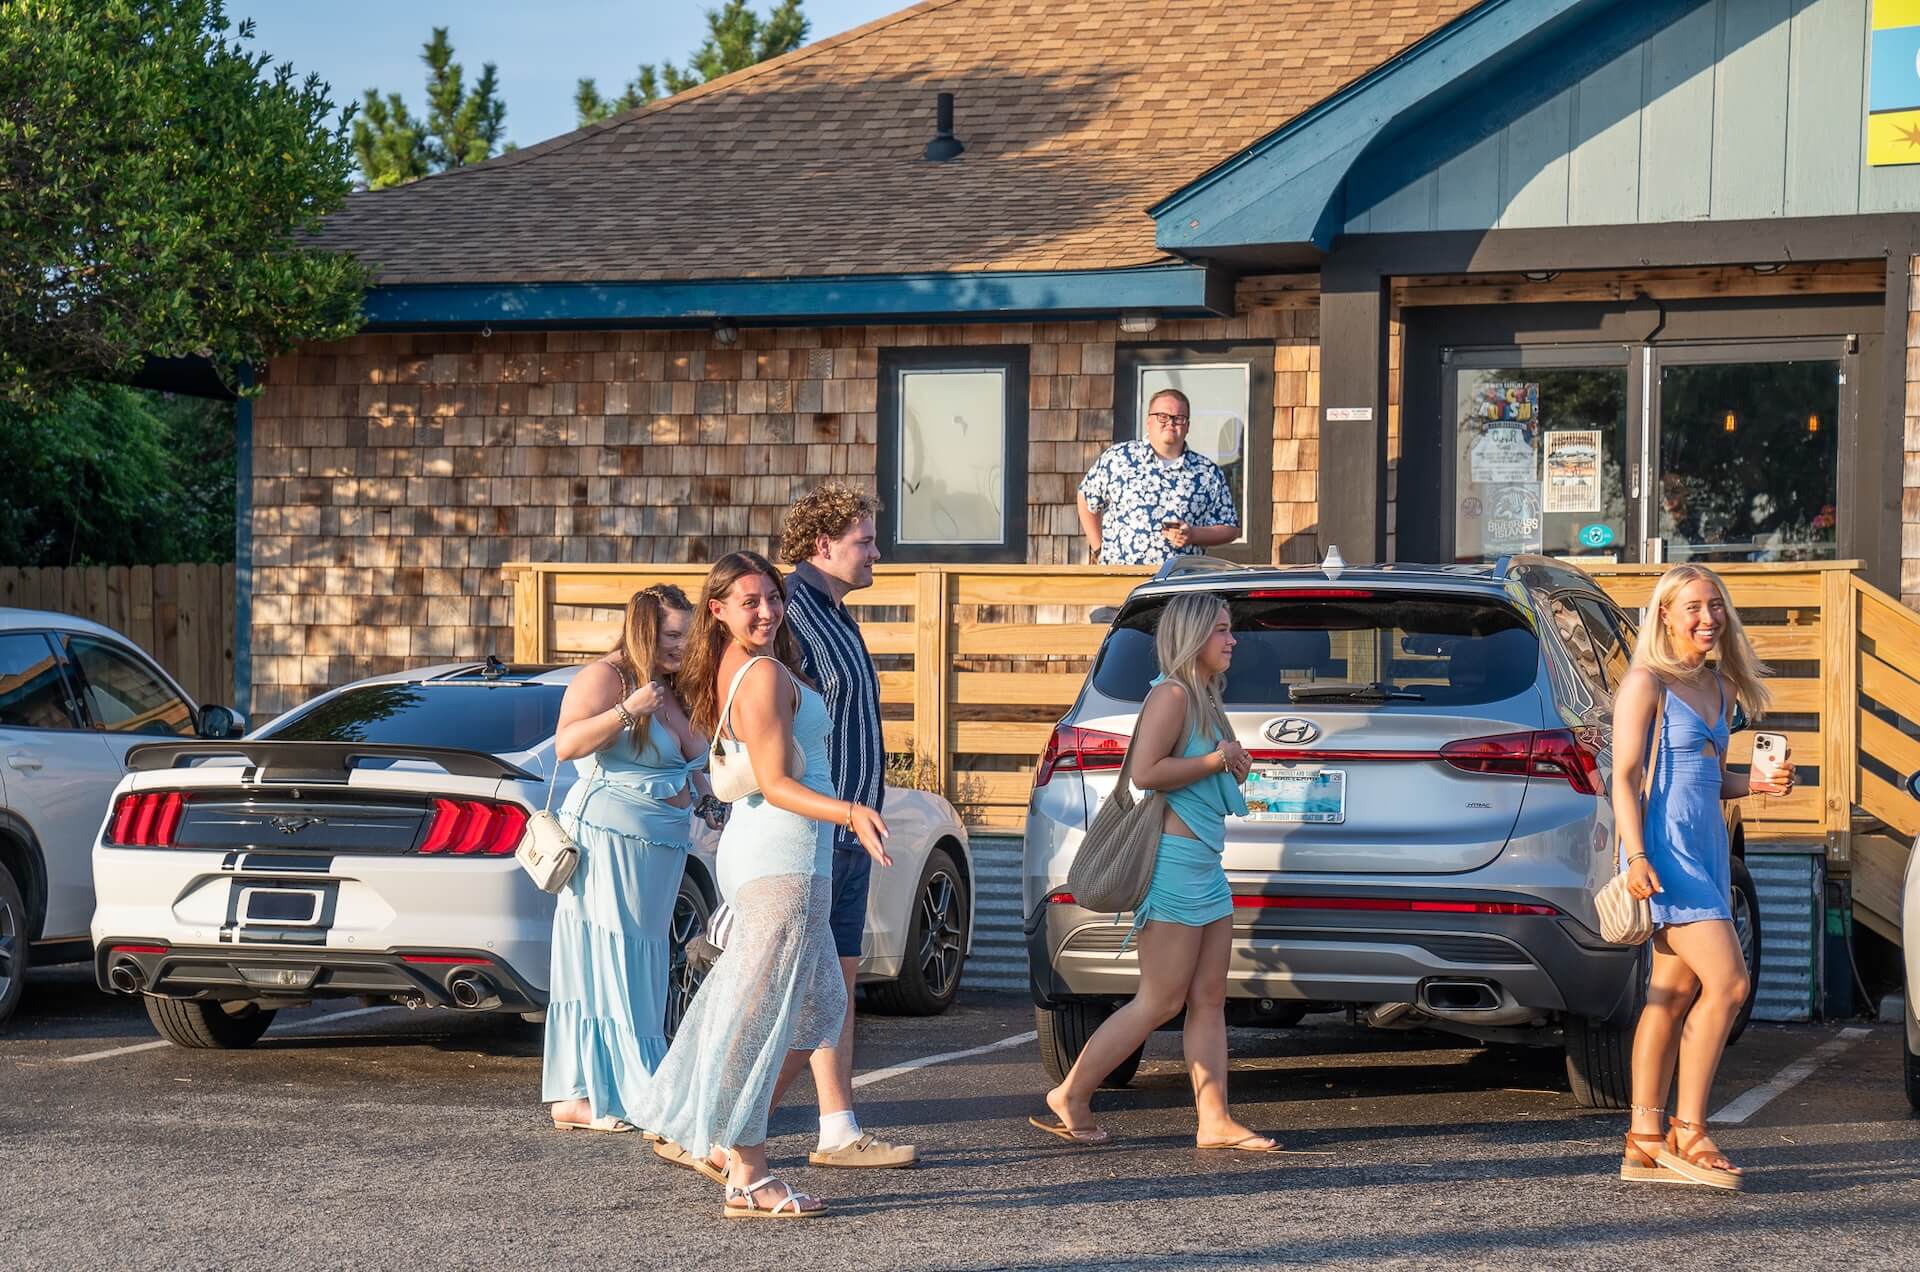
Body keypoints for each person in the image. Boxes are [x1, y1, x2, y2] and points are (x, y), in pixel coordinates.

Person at [639, 551, 891, 1219]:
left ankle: (724, 1137)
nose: (767, 611)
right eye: (749, 601)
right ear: (718, 610)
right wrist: (850, 811)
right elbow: (778, 784)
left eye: (773, 598)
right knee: (759, 1018)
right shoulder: (763, 674)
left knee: (820, 1008)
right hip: (781, 857)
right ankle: (747, 1172)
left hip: (781, 854)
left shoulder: (743, 665)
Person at [1030, 592, 1279, 1152]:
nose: (1232, 639)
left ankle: (1215, 1121)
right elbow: (1145, 772)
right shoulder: (1172, 695)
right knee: (1160, 999)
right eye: (1221, 629)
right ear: (1193, 636)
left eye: (1230, 629)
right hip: (1172, 866)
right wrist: (1216, 759)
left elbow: (1197, 774)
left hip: (1205, 865)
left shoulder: (1205, 697)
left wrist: (1231, 766)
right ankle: (1071, 1093)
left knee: (1209, 998)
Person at [1613, 564, 1794, 1191]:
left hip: (1709, 850)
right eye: (1692, 606)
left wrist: (1758, 784)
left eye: (1715, 605)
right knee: (1730, 983)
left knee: (1670, 993)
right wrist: (1636, 857)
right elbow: (1625, 776)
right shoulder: (1647, 682)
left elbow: (1707, 779)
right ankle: (1688, 1130)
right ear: (1665, 614)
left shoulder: (1720, 686)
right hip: (1665, 855)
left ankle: (1643, 1139)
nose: (1707, 618)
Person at [767, 482, 917, 1168]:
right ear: (823, 545)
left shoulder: (838, 614)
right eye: (865, 541)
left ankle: (837, 1129)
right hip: (812, 832)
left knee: (837, 989)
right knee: (797, 994)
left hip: (852, 833)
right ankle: (721, 1127)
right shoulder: (788, 613)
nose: (876, 553)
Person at [543, 584, 717, 1133]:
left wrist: (707, 796)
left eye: (687, 636)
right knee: (608, 963)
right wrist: (626, 710)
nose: (682, 646)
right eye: (672, 635)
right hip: (607, 842)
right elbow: (567, 745)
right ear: (644, 629)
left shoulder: (673, 687)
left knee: (641, 965)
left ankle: (616, 1088)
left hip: (661, 849)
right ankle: (594, 1095)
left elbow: (689, 759)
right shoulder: (608, 678)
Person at [1077, 387, 1240, 565]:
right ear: (1148, 422)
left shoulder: (1206, 472)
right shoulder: (1118, 458)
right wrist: (1099, 549)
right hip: (1121, 575)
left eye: (1179, 418)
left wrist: (1193, 534)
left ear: (1187, 426)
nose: (1170, 422)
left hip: (1180, 578)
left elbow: (1229, 527)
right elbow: (1086, 497)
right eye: (1162, 416)